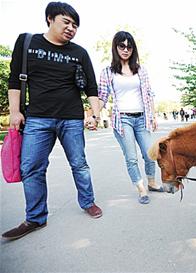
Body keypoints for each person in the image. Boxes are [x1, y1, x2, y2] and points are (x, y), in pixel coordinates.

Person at [2, 2, 102, 241]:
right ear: (50, 18)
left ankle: (88, 202)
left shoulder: (79, 52)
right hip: (37, 118)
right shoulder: (27, 43)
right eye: (66, 22)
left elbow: (91, 87)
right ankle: (35, 217)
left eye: (75, 25)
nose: (71, 28)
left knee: (79, 163)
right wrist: (15, 112)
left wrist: (95, 114)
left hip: (71, 117)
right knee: (32, 168)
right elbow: (15, 81)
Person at [97, 31, 164, 205]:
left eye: (129, 46)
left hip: (142, 118)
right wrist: (93, 115)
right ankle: (141, 189)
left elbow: (149, 94)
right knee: (131, 157)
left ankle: (152, 182)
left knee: (150, 153)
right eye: (122, 46)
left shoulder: (141, 70)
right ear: (116, 47)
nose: (126, 49)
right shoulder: (108, 72)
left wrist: (153, 115)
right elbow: (102, 97)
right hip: (123, 120)